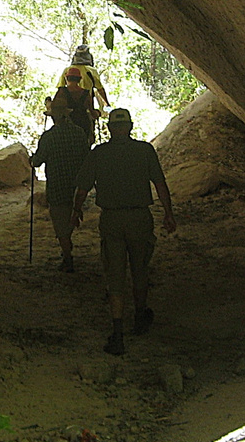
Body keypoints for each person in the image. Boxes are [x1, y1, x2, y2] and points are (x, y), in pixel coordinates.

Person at [71, 107, 175, 355]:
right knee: (140, 269)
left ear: (109, 129)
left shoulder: (99, 153)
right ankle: (140, 317)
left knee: (115, 275)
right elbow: (160, 184)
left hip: (112, 220)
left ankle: (117, 333)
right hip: (139, 217)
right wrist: (169, 213)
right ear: (130, 126)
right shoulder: (144, 151)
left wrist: (76, 211)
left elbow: (83, 188)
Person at [30, 97, 92, 272]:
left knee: (59, 221)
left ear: (53, 117)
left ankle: (67, 255)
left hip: (57, 186)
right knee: (72, 214)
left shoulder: (49, 137)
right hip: (76, 185)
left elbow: (37, 162)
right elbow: (87, 157)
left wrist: (31, 159)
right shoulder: (79, 133)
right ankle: (67, 245)